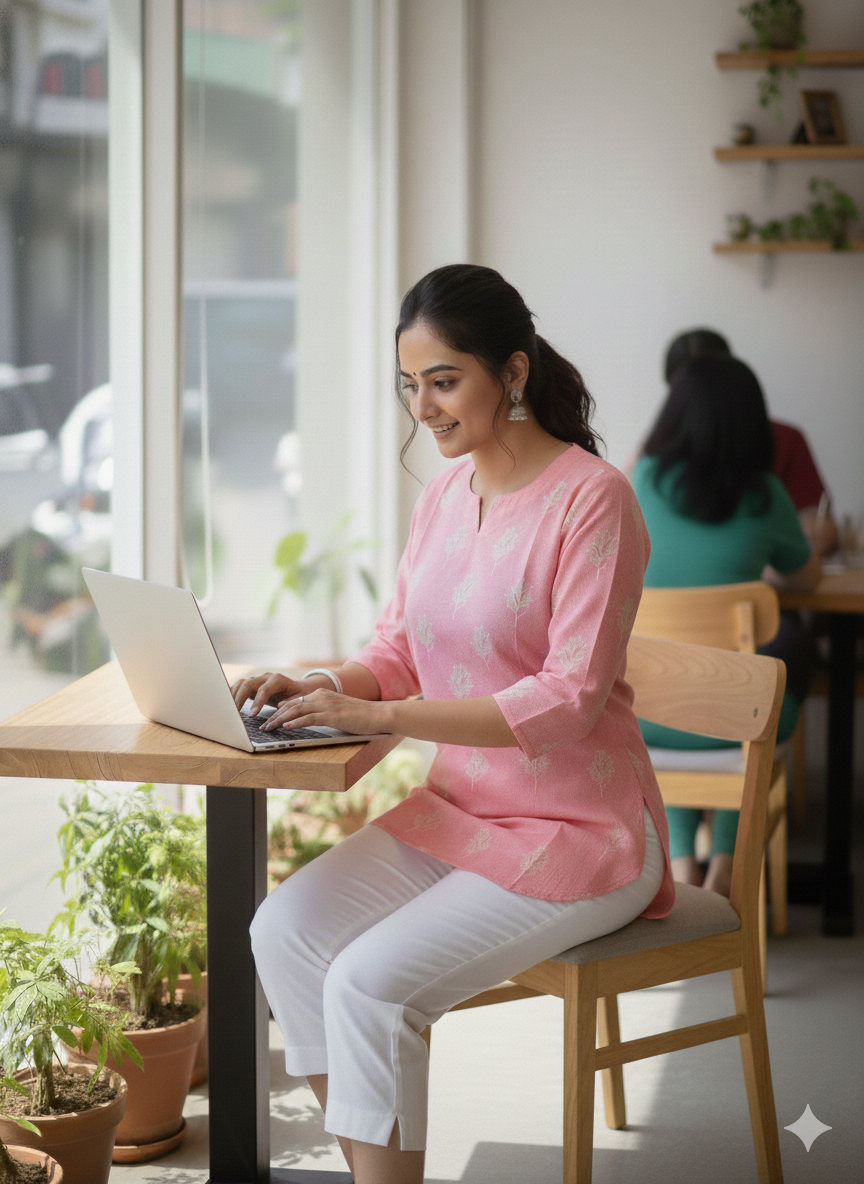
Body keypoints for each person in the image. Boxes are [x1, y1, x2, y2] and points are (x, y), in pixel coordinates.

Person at [230, 264, 675, 1184]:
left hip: (581, 832)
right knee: (283, 931)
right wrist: (318, 686)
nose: (422, 408)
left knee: (369, 984)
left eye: (443, 381)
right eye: (409, 384)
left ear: (512, 373)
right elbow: (397, 648)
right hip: (462, 813)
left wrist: (381, 712)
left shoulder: (593, 498)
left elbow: (569, 697)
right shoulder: (441, 498)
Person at [632, 355, 821, 898]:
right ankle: (725, 865)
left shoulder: (641, 480)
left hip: (646, 714)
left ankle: (684, 861)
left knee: (683, 691)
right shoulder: (765, 494)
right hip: (737, 721)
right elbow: (806, 577)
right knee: (754, 699)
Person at [663, 329, 839, 556]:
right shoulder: (656, 458)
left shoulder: (785, 440)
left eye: (711, 385)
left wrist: (813, 534)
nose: (703, 398)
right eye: (690, 389)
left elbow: (821, 529)